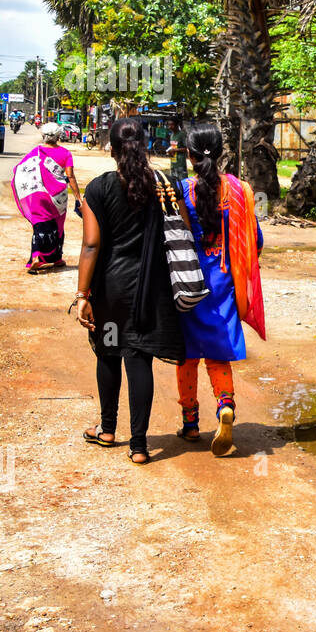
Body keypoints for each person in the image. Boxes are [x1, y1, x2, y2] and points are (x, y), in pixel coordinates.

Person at [75, 118, 184, 466]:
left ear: (111, 147)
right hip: (150, 289)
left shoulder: (99, 188)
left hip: (111, 290)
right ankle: (139, 446)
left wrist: (82, 295)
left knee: (108, 352)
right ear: (144, 144)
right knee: (139, 359)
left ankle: (107, 430)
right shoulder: (165, 186)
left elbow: (92, 245)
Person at [172, 122, 266, 456]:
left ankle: (190, 422)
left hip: (189, 280)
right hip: (226, 279)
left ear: (189, 154)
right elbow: (256, 241)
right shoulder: (240, 190)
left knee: (187, 354)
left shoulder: (182, 189)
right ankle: (225, 405)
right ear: (223, 151)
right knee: (216, 353)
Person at [10, 123, 82, 273]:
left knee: (39, 226)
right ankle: (56, 258)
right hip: (57, 198)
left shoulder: (36, 152)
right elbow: (70, 176)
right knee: (58, 226)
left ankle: (37, 256)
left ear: (44, 136)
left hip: (38, 195)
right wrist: (78, 197)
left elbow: (20, 169)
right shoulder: (65, 153)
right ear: (58, 136)